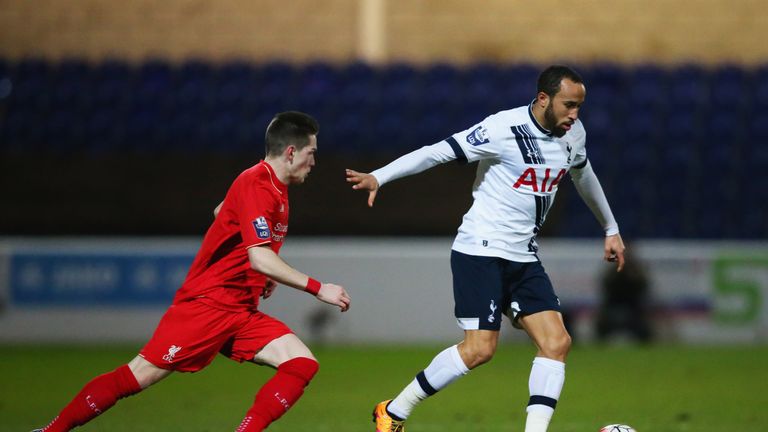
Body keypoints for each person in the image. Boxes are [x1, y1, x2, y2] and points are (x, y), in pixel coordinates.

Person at [346, 65, 625, 432]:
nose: (575, 114)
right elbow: (437, 152)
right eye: (569, 105)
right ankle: (394, 411)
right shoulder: (502, 129)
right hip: (480, 250)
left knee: (557, 342)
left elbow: (583, 173)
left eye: (579, 107)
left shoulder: (574, 135)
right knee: (480, 350)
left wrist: (610, 227)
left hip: (523, 255)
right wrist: (379, 176)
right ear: (544, 99)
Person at [33, 111, 351, 432]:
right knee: (137, 376)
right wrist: (317, 287)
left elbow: (222, 213)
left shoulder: (271, 186)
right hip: (207, 307)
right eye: (312, 153)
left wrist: (260, 273)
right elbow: (258, 255)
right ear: (291, 152)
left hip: (240, 310)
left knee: (301, 363)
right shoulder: (257, 183)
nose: (314, 162)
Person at [595, 246, 654, 343]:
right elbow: (606, 287)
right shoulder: (612, 271)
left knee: (643, 324)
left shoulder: (637, 270)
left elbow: (643, 289)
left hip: (633, 307)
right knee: (601, 322)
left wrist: (634, 277)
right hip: (613, 306)